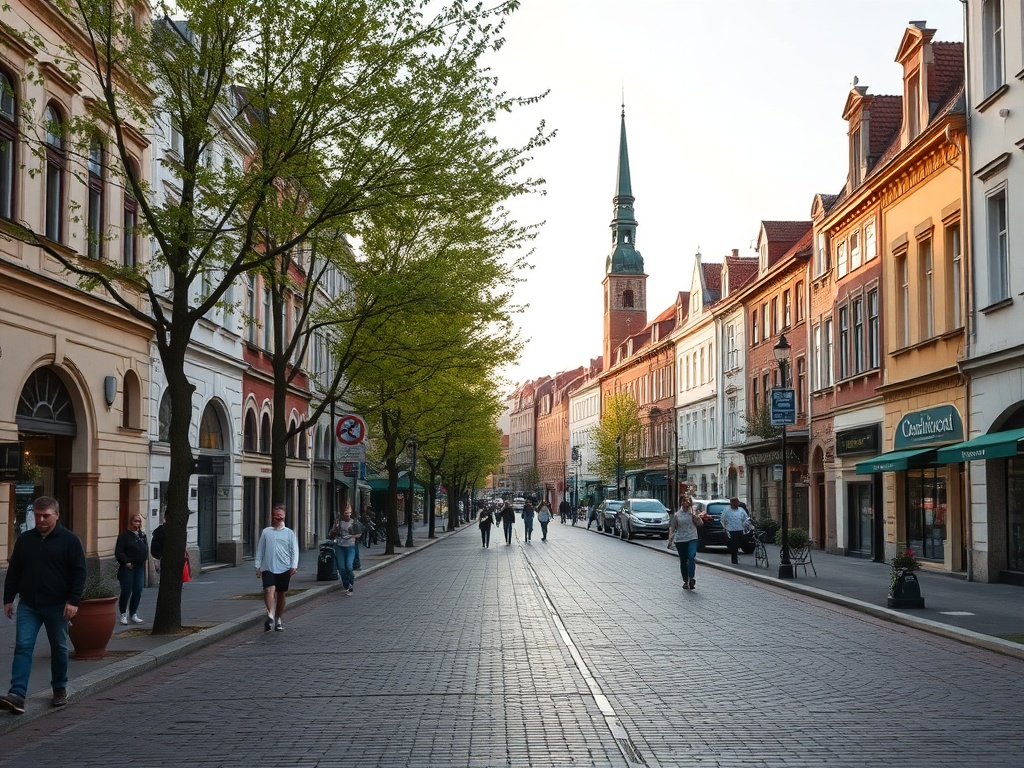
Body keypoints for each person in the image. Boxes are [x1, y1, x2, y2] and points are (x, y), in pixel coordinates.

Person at [1, 496, 86, 713]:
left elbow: (79, 573)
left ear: (56, 515)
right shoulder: (25, 540)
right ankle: (17, 694)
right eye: (37, 515)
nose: (41, 520)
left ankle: (59, 688)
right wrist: (8, 599)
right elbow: (14, 571)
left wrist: (73, 601)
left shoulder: (69, 540)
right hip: (29, 604)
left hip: (58, 605)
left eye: (46, 516)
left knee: (58, 647)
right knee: (23, 646)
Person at [254, 504, 300, 631]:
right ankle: (270, 615)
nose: (278, 517)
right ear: (272, 516)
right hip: (268, 567)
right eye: (276, 514)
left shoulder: (289, 533)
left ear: (284, 516)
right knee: (269, 590)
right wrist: (257, 565)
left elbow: (294, 550)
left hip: (284, 567)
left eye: (281, 514)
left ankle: (278, 618)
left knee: (281, 594)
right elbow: (260, 549)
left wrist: (294, 565)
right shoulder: (266, 532)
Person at [114, 513, 149, 625]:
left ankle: (133, 613)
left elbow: (145, 548)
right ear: (130, 522)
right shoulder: (124, 536)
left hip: (139, 567)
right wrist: (126, 561)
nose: (137, 524)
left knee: (138, 590)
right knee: (126, 590)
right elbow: (119, 552)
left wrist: (145, 558)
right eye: (135, 521)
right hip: (127, 568)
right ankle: (123, 613)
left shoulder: (142, 535)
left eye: (139, 521)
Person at [668, 497, 703, 590]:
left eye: (687, 501)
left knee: (691, 557)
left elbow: (700, 524)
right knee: (683, 560)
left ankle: (691, 578)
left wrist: (695, 515)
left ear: (690, 503)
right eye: (683, 501)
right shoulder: (677, 515)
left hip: (692, 538)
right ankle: (685, 581)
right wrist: (670, 539)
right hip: (680, 540)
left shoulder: (693, 513)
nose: (685, 503)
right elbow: (672, 528)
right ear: (681, 503)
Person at [331, 507, 362, 594]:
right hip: (339, 546)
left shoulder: (353, 522)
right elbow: (332, 532)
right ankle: (346, 584)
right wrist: (335, 531)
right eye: (345, 513)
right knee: (341, 567)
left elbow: (359, 534)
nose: (347, 515)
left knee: (349, 566)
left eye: (348, 513)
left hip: (350, 546)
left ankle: (351, 581)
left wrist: (351, 536)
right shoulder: (338, 522)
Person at [721, 497, 750, 565]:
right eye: (735, 503)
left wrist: (747, 526)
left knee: (740, 543)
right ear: (731, 503)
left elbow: (745, 518)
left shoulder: (741, 510)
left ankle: (735, 554)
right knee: (734, 545)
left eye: (737, 502)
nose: (737, 504)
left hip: (740, 529)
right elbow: (723, 519)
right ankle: (734, 558)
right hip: (731, 530)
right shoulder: (727, 510)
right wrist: (725, 528)